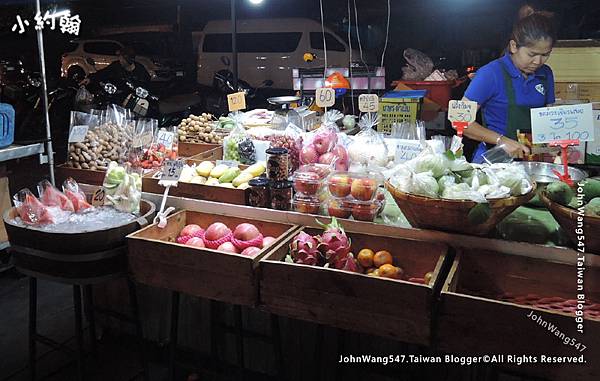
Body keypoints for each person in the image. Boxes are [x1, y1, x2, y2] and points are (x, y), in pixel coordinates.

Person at [462, 5, 557, 163]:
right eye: (532, 54)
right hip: (494, 161)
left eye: (545, 55)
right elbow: (462, 122)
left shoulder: (545, 74)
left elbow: (549, 118)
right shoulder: (490, 74)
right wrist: (501, 140)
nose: (538, 62)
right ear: (514, 46)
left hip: (532, 160)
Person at [80, 46, 151, 89]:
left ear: (128, 59)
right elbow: (103, 73)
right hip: (118, 96)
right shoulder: (116, 65)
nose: (120, 60)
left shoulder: (140, 69)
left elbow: (147, 81)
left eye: (122, 58)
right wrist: (90, 78)